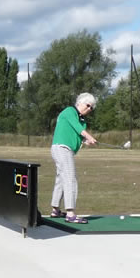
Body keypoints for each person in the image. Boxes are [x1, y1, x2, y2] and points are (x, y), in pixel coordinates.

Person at [50, 92, 97, 224]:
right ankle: (70, 213)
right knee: (70, 178)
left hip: (65, 149)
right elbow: (77, 128)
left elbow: (77, 136)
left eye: (91, 108)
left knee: (61, 178)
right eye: (88, 105)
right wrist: (88, 136)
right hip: (62, 148)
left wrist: (85, 141)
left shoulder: (82, 121)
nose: (89, 109)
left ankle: (55, 209)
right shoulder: (70, 111)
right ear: (80, 102)